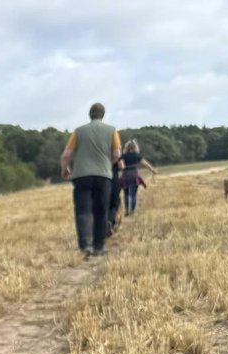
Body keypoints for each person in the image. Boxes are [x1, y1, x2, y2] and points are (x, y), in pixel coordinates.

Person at [60, 102, 121, 257]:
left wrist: (65, 169)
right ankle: (99, 246)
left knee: (83, 211)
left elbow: (66, 155)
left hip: (81, 176)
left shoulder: (78, 132)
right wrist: (108, 165)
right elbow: (116, 155)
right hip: (103, 176)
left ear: (90, 114)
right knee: (101, 211)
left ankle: (86, 245)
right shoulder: (112, 131)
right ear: (103, 114)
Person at [119, 140, 157, 216]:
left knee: (126, 194)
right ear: (135, 147)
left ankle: (126, 211)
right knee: (133, 195)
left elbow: (120, 166)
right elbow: (145, 164)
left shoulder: (123, 156)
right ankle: (132, 212)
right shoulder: (137, 155)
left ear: (126, 147)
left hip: (125, 175)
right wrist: (152, 170)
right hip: (134, 175)